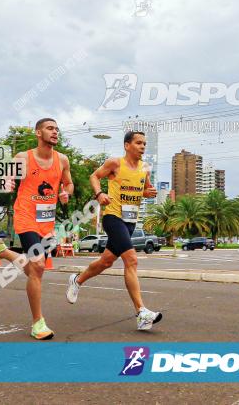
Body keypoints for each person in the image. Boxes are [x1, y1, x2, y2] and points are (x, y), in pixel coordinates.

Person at [0, 118, 73, 340]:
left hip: (47, 222)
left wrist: (66, 193)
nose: (55, 132)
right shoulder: (23, 157)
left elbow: (68, 183)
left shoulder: (62, 160)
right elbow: (7, 174)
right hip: (26, 217)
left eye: (56, 129)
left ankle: (3, 251)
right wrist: (7, 182)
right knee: (38, 265)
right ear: (38, 133)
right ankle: (38, 323)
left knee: (35, 268)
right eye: (50, 128)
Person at [66, 130, 162, 331]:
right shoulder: (115, 163)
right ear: (127, 145)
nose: (143, 146)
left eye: (144, 143)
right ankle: (141, 313)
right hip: (113, 217)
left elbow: (146, 189)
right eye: (138, 143)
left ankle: (77, 279)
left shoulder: (145, 168)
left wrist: (149, 192)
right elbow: (94, 176)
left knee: (106, 261)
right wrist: (99, 193)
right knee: (131, 260)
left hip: (130, 221)